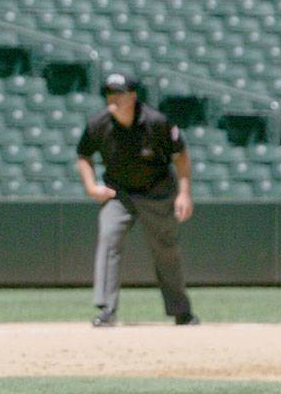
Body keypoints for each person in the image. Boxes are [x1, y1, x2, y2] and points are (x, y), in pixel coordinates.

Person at [76, 72, 199, 327]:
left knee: (166, 251)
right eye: (109, 93)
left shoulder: (157, 122)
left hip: (158, 191)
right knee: (109, 238)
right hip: (119, 193)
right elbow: (83, 155)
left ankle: (181, 312)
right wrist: (91, 187)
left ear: (133, 96)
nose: (112, 98)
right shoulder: (98, 123)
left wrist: (184, 193)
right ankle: (106, 310)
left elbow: (181, 156)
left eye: (118, 92)